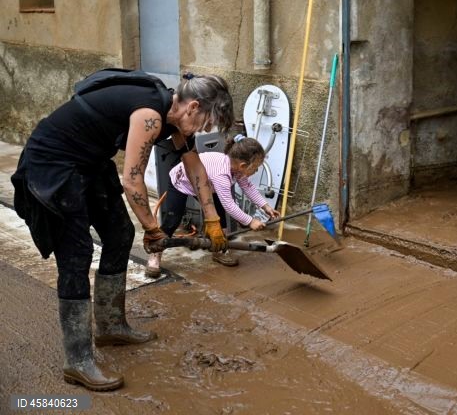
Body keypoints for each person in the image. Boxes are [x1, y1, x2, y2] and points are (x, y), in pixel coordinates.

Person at [11, 69, 234, 391]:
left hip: (89, 162)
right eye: (206, 123)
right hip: (53, 164)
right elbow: (132, 180)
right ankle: (77, 361)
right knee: (76, 256)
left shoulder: (174, 116)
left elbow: (194, 165)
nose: (204, 129)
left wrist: (212, 219)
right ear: (194, 107)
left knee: (119, 235)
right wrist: (153, 229)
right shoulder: (150, 115)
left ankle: (111, 325)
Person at [146, 134, 281, 277]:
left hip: (208, 185)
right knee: (172, 220)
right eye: (256, 167)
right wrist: (250, 221)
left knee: (220, 216)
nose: (256, 171)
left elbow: (248, 188)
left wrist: (265, 206)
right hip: (182, 181)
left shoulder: (236, 169)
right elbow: (230, 205)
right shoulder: (222, 175)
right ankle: (156, 252)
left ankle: (218, 248)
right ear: (243, 165)